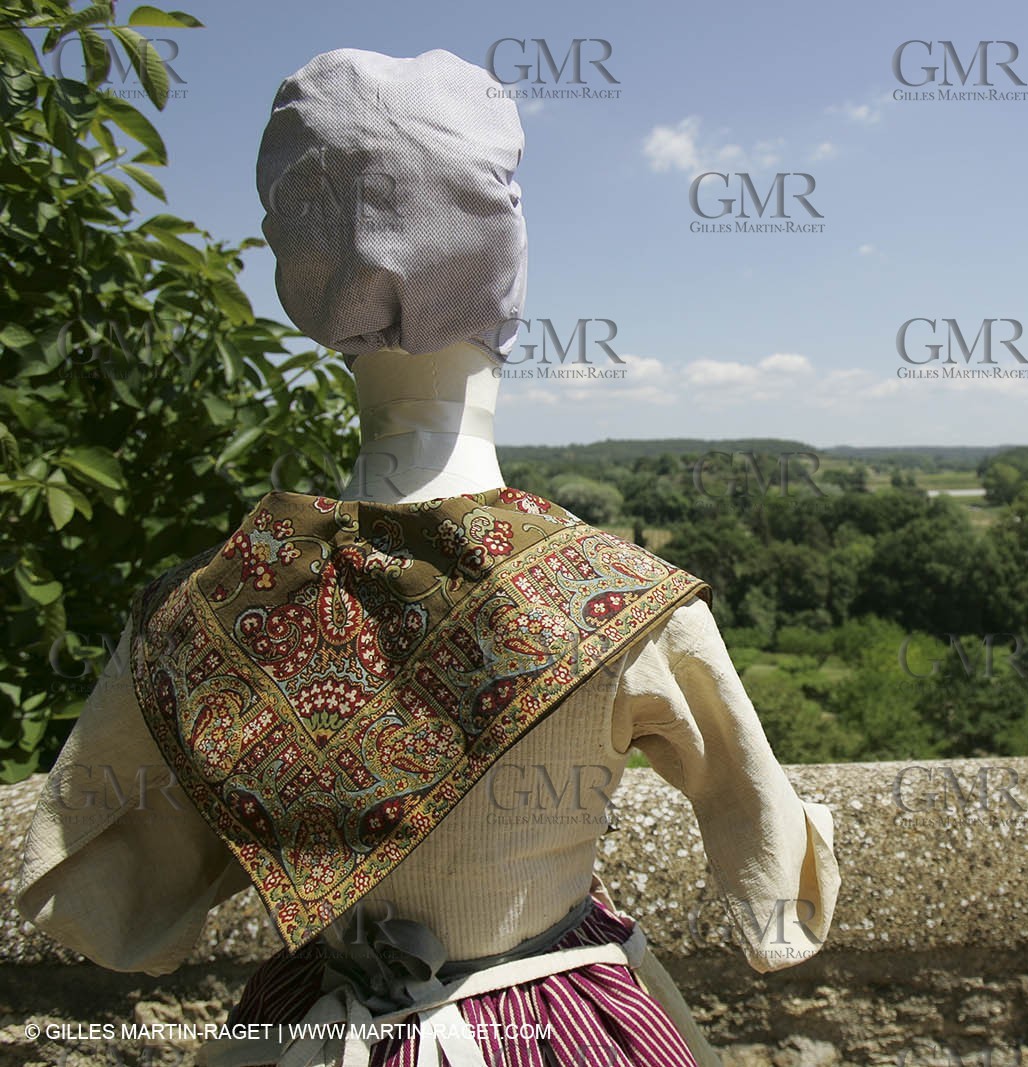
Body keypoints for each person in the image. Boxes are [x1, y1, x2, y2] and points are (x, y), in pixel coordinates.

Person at [14, 48, 839, 1067]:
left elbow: (109, 898)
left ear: (305, 274)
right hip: (554, 1028)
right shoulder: (621, 599)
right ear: (504, 261)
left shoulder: (197, 611)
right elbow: (774, 889)